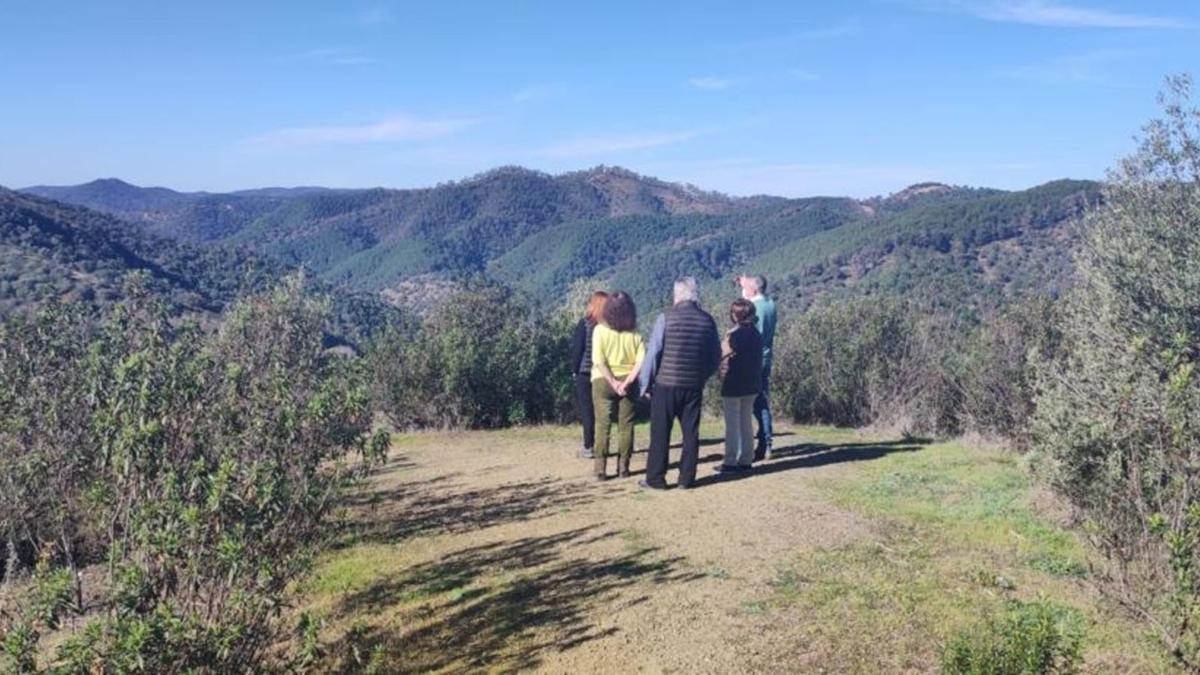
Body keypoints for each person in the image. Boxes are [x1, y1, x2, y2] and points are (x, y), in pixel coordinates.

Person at [638, 277, 721, 490]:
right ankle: (687, 479)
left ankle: (655, 478)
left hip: (665, 384)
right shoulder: (707, 321)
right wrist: (702, 376)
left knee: (660, 433)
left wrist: (645, 384)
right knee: (690, 433)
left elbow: (654, 353)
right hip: (693, 386)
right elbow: (715, 356)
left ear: (677, 295)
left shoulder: (666, 318)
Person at [591, 291, 645, 480]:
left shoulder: (599, 330)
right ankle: (624, 467)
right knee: (626, 425)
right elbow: (641, 360)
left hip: (603, 381)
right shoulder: (635, 333)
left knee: (602, 425)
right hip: (628, 382)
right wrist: (627, 381)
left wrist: (612, 381)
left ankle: (600, 469)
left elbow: (598, 360)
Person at [716, 298, 763, 473]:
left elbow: (721, 354)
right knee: (746, 422)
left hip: (734, 384)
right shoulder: (756, 334)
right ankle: (746, 459)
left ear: (736, 315)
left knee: (732, 425)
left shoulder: (734, 335)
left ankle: (729, 461)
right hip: (752, 384)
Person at [739, 274, 777, 461]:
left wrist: (744, 295)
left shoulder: (756, 308)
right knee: (761, 401)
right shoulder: (771, 304)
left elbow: (744, 319)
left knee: (754, 403)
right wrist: (746, 290)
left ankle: (763, 444)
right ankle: (766, 443)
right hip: (766, 359)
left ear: (754, 289)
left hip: (754, 360)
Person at [568, 291, 608, 459]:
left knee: (587, 410)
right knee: (602, 411)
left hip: (585, 372)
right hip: (603, 373)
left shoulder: (584, 324)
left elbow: (578, 350)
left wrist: (574, 369)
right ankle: (602, 445)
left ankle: (588, 446)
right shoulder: (609, 326)